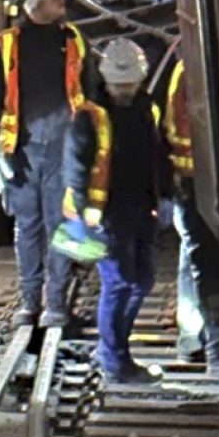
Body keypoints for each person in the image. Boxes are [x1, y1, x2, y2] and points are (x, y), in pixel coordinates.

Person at [0, 0, 94, 327]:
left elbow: (91, 98)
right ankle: (31, 303)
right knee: (27, 226)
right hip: (23, 153)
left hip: (65, 151)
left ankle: (55, 305)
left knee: (60, 226)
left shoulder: (74, 41)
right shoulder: (6, 46)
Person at [63, 37, 167, 384]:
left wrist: (165, 195)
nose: (125, 90)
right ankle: (114, 359)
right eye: (119, 85)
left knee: (142, 280)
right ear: (107, 79)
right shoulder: (89, 117)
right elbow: (76, 170)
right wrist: (85, 214)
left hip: (139, 207)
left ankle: (113, 350)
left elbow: (156, 154)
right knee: (120, 282)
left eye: (130, 84)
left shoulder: (145, 108)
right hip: (105, 214)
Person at [162, 57, 219, 377]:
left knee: (193, 258)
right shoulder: (188, 72)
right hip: (194, 183)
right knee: (204, 262)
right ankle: (213, 349)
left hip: (194, 182)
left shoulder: (185, 71)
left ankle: (194, 337)